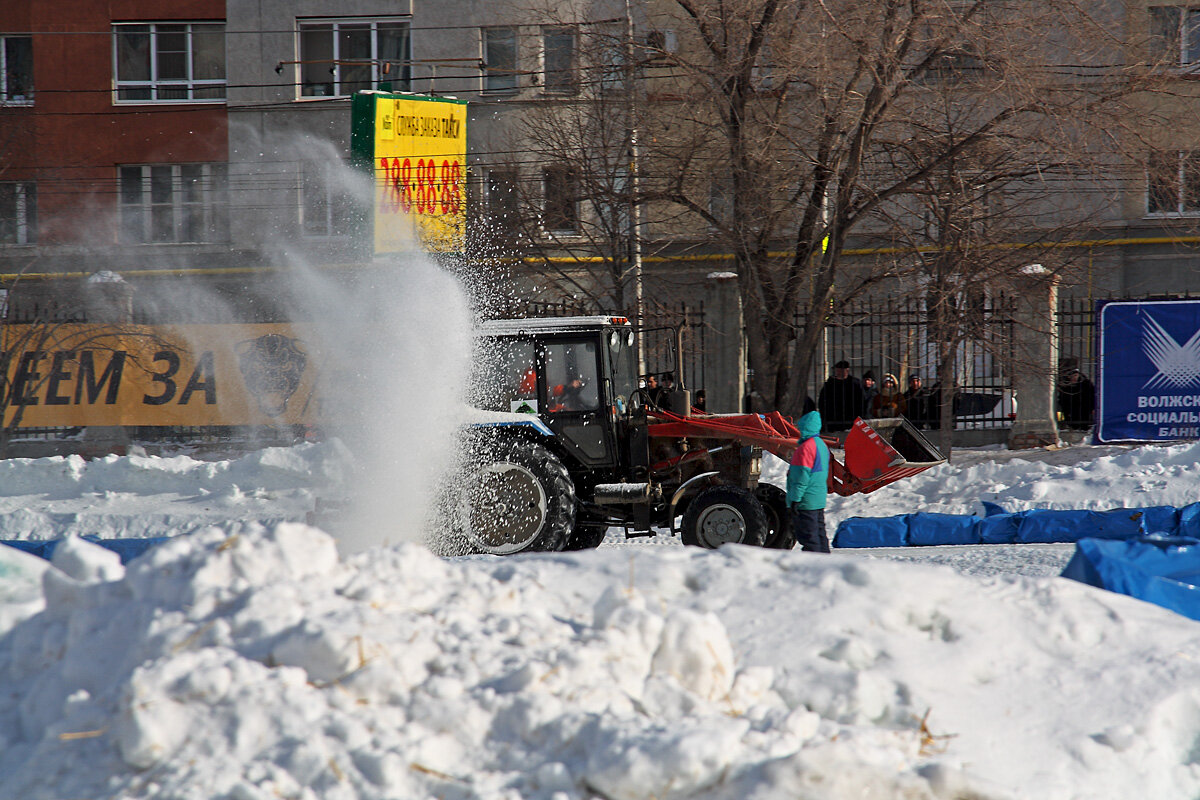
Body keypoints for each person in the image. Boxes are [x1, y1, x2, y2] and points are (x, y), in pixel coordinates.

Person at [787, 400, 831, 552]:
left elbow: (801, 477)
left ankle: (814, 571)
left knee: (809, 540)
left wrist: (795, 499)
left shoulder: (805, 448)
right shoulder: (821, 445)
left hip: (806, 500)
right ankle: (827, 567)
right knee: (820, 536)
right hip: (818, 498)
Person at [817, 359, 866, 432]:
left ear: (847, 370)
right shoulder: (830, 384)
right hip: (832, 420)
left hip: (851, 419)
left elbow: (862, 401)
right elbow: (822, 401)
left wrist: (860, 416)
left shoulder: (855, 384)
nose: (839, 372)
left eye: (841, 370)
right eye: (838, 370)